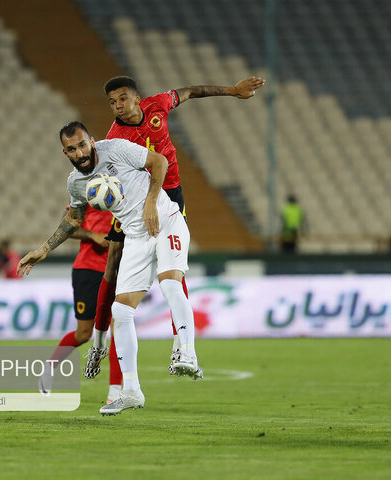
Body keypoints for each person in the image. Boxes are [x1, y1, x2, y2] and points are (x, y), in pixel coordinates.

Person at [87, 75, 266, 397]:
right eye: (112, 102)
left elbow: (192, 91)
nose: (118, 107)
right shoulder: (115, 136)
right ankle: (98, 342)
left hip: (170, 197)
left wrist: (234, 91)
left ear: (137, 98)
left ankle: (181, 346)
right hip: (134, 201)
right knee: (112, 268)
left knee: (172, 269)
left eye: (122, 99)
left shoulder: (159, 105)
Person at [18, 121, 199, 416]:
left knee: (169, 283)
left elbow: (160, 161)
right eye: (72, 149)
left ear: (91, 141)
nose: (80, 153)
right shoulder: (75, 183)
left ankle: (187, 354)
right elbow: (74, 220)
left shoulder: (115, 148)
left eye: (82, 145)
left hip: (165, 220)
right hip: (134, 238)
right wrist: (43, 250)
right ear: (65, 153)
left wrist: (152, 202)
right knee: (120, 312)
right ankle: (130, 391)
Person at [37, 204, 119, 396]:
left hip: (117, 270)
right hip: (89, 270)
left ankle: (115, 391)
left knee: (119, 328)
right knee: (83, 334)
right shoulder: (88, 191)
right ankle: (49, 368)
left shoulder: (130, 188)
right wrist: (92, 235)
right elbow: (68, 226)